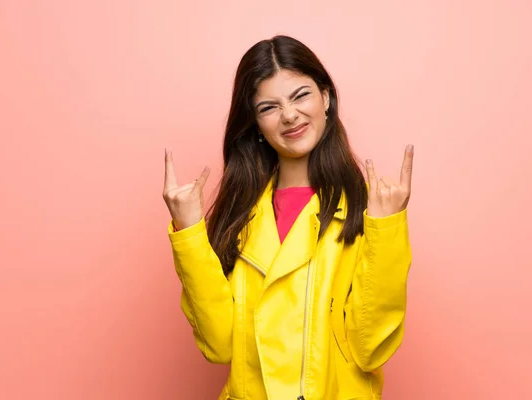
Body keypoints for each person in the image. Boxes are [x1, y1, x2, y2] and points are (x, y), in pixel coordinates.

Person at [163, 35, 414, 400]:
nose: (290, 115)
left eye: (300, 96)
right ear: (256, 125)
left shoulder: (368, 208)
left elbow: (370, 347)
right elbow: (218, 346)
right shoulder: (239, 216)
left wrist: (387, 229)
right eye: (269, 107)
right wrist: (189, 232)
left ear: (326, 98)